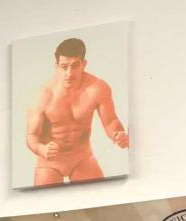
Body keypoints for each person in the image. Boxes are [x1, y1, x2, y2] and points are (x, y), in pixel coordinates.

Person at [26, 37, 129, 186]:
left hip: (81, 158)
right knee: (45, 199)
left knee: (98, 196)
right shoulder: (43, 94)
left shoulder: (98, 88)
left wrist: (118, 134)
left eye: (75, 66)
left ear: (84, 64)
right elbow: (31, 135)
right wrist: (41, 149)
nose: (69, 73)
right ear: (56, 66)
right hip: (49, 163)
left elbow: (111, 122)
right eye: (64, 67)